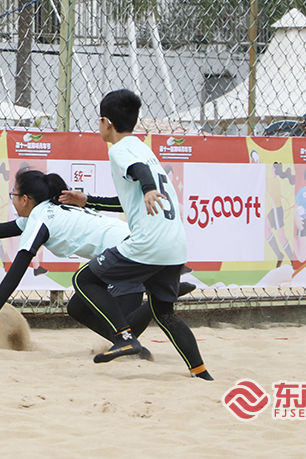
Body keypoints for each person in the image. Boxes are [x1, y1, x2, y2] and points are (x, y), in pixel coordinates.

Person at [0, 168, 195, 357]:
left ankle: (153, 310)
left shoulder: (41, 218)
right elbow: (1, 229)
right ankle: (153, 310)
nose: (11, 199)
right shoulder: (46, 210)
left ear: (25, 200)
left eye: (13, 194)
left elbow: (16, 271)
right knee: (79, 307)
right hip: (135, 247)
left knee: (123, 324)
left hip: (129, 252)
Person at [74, 89, 212, 380]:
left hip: (149, 243)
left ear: (106, 122)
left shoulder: (121, 149)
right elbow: (128, 195)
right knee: (165, 314)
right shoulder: (143, 148)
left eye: (98, 120)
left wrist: (149, 188)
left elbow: (138, 173)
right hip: (174, 246)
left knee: (83, 278)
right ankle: (201, 373)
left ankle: (124, 337)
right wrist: (89, 201)